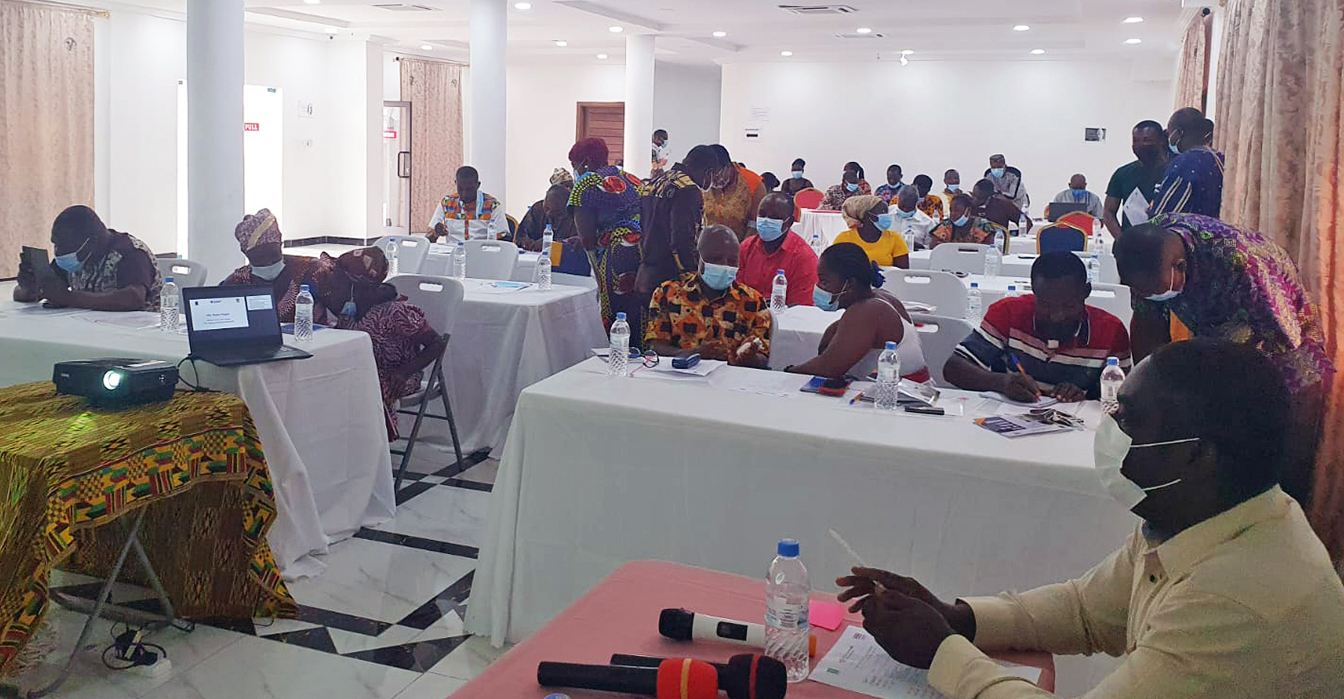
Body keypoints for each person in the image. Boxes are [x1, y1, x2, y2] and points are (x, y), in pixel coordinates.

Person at [837, 339, 1344, 699]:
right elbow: (1087, 609)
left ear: (1197, 455)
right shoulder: (1200, 518)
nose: (1110, 429)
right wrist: (959, 619)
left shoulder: (1236, 598)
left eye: (1128, 418)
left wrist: (942, 651)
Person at [1114, 214, 1334, 503]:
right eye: (1135, 289)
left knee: (1270, 461)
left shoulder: (1240, 262)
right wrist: (1146, 392)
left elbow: (1283, 337)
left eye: (1149, 290)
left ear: (1179, 267)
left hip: (1283, 351)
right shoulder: (1148, 249)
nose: (1141, 295)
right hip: (1218, 334)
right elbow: (1146, 321)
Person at [943, 252, 1132, 403]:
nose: (1057, 316)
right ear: (1033, 290)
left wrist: (1085, 397)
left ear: (1086, 292)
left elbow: (1121, 398)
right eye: (1045, 305)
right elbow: (953, 368)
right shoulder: (1008, 313)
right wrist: (1001, 382)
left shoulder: (1111, 332)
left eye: (1069, 306)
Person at [313, 247, 446, 440]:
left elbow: (437, 343)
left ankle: (371, 445)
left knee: (363, 389)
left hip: (397, 375)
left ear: (355, 285)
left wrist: (404, 372)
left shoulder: (396, 312)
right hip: (361, 370)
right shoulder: (350, 308)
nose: (333, 284)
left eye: (338, 280)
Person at [785, 243, 927, 381]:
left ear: (850, 284)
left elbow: (829, 368)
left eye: (824, 281)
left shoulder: (868, 310)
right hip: (903, 390)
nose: (819, 287)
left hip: (898, 397)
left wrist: (789, 371)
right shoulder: (878, 297)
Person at [644, 225, 771, 368]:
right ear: (698, 257)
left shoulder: (753, 301)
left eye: (731, 261)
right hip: (680, 378)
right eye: (716, 259)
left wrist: (748, 358)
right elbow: (655, 347)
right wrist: (696, 353)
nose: (724, 266)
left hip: (730, 382)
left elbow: (763, 359)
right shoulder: (668, 293)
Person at [14, 205, 162, 312]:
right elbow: (32, 293)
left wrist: (68, 298)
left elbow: (133, 299)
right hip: (91, 330)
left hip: (136, 335)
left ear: (91, 242)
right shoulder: (73, 257)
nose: (58, 252)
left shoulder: (130, 253)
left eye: (64, 245)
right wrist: (30, 288)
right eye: (56, 244)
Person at [568, 138, 647, 333]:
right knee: (638, 315)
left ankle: (618, 361)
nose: (575, 170)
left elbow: (587, 240)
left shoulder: (585, 183)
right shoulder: (630, 178)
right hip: (644, 253)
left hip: (616, 257)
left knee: (617, 319)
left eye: (574, 165)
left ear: (585, 162)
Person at [638, 144, 719, 294]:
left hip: (645, 272)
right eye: (713, 177)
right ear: (709, 172)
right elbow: (682, 240)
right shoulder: (687, 189)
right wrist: (691, 276)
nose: (712, 183)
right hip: (669, 279)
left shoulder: (656, 181)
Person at [222, 209, 326, 323]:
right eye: (259, 257)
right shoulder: (237, 281)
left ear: (280, 245)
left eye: (272, 254)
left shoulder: (311, 270)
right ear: (245, 254)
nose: (268, 262)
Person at [737, 193, 818, 306]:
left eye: (774, 217)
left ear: (789, 223)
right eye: (762, 215)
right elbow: (735, 291)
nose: (765, 221)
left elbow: (800, 306)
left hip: (786, 319)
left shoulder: (804, 258)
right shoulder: (746, 247)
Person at [1150, 107, 1225, 218]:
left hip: (1192, 232)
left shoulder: (1184, 163)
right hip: (1218, 229)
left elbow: (1164, 216)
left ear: (1178, 133)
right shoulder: (1219, 158)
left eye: (1170, 134)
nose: (1169, 139)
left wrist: (1153, 211)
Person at [1104, 120, 1172, 239]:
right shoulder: (1122, 173)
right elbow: (1108, 212)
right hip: (1132, 244)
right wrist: (1122, 240)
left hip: (1167, 243)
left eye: (1147, 140)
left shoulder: (1174, 171)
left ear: (1161, 141)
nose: (1140, 145)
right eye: (1135, 141)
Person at [703, 144, 767, 241]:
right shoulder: (704, 182)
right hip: (706, 248)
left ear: (728, 166)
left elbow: (754, 225)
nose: (713, 180)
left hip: (741, 248)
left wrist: (739, 252)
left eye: (717, 174)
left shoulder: (753, 183)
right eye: (709, 175)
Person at [832, 195, 910, 269]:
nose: (887, 215)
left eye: (887, 212)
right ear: (866, 215)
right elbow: (834, 269)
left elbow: (902, 273)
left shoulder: (895, 238)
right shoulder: (844, 239)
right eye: (882, 211)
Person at [429, 166, 503, 242]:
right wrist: (436, 233)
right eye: (460, 189)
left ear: (478, 185)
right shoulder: (447, 203)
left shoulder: (492, 205)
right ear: (456, 183)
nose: (464, 194)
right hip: (452, 251)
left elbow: (504, 239)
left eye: (469, 189)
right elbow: (428, 239)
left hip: (481, 251)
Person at [514, 184, 579, 252]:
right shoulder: (537, 209)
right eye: (547, 208)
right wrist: (527, 243)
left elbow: (576, 243)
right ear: (545, 199)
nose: (548, 213)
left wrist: (552, 244)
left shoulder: (574, 215)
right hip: (533, 256)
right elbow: (520, 235)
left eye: (557, 212)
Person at [928, 194, 1000, 249]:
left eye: (957, 210)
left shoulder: (983, 226)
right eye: (951, 210)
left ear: (968, 210)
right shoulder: (946, 225)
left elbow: (989, 249)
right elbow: (933, 247)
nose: (952, 214)